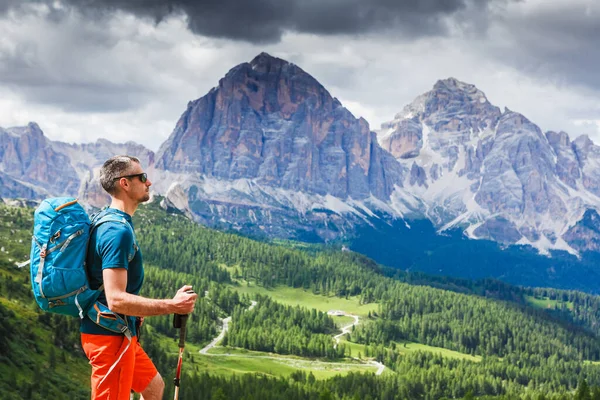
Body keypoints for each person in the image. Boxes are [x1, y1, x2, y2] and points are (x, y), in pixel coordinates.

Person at [80, 155, 197, 400]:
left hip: (120, 332)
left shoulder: (107, 219)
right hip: (109, 339)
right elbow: (116, 300)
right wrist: (173, 306)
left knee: (154, 387)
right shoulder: (117, 231)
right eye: (142, 177)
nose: (149, 182)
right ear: (124, 183)